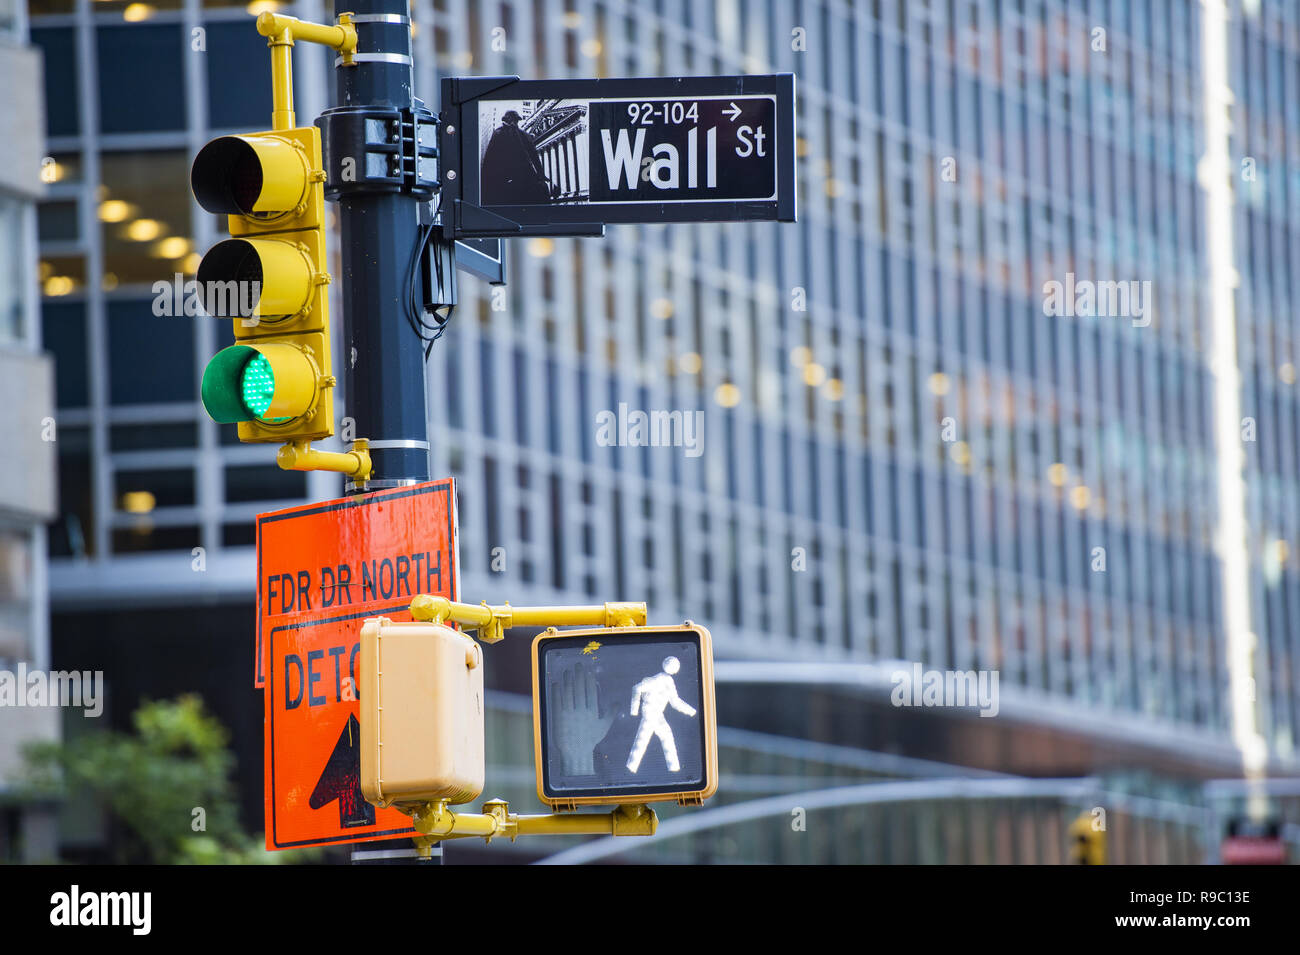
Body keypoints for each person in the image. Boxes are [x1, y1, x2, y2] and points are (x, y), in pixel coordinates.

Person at [626, 656, 697, 773]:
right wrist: (634, 711)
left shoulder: (668, 681)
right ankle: (672, 769)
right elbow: (637, 688)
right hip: (650, 711)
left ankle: (673, 769)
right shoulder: (656, 680)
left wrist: (691, 711)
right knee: (645, 739)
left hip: (656, 713)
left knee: (653, 738)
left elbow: (675, 701)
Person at [481, 110, 552, 204]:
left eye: (516, 120)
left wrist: (541, 175)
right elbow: (490, 158)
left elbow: (534, 156)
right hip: (507, 176)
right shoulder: (499, 133)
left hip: (525, 174)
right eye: (513, 120)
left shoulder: (523, 134)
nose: (515, 123)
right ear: (507, 119)